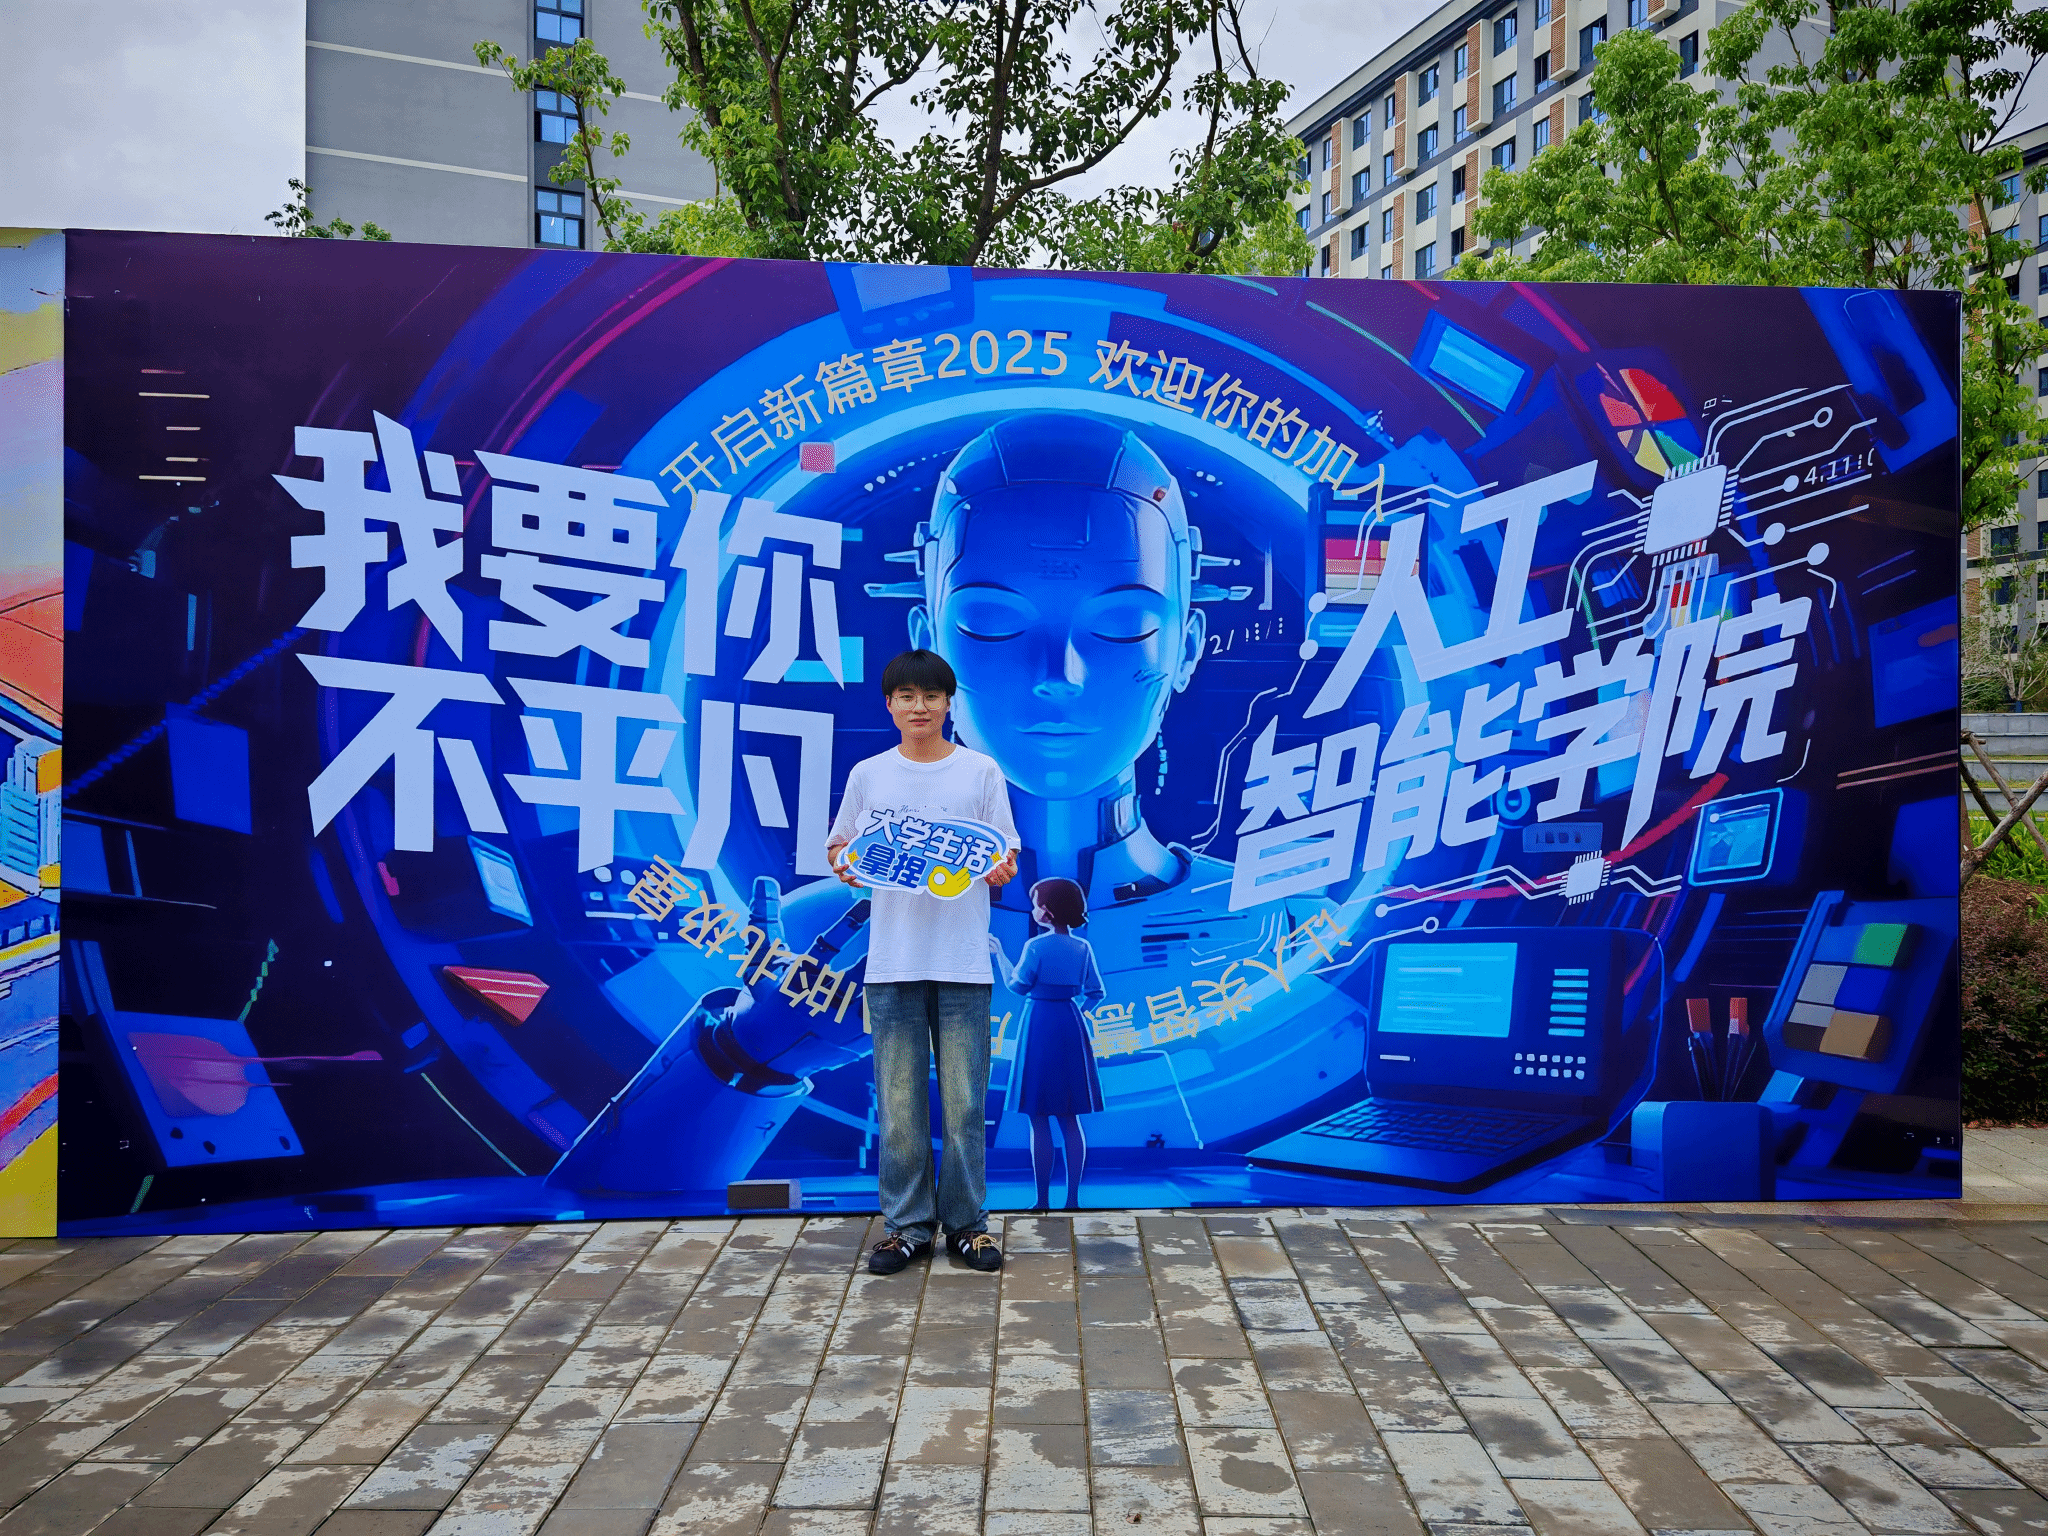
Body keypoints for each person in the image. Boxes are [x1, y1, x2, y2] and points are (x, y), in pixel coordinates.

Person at [825, 648, 1019, 1275]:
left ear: (948, 703)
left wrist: (1001, 868)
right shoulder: (870, 774)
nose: (919, 707)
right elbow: (840, 845)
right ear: (889, 705)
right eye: (906, 696)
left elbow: (1005, 851)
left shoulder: (980, 771)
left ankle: (967, 1227)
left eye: (931, 696)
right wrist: (845, 864)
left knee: (964, 1105)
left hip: (963, 963)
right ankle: (906, 1228)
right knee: (899, 1103)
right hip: (893, 964)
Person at [988, 878, 1106, 1212]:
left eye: (1036, 903)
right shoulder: (1082, 948)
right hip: (1070, 1024)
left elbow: (1017, 986)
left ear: (1047, 910)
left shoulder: (1036, 947)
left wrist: (1000, 956)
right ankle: (1073, 1200)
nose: (1033, 910)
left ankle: (1041, 1200)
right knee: (1070, 1118)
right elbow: (1096, 992)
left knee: (1038, 1118)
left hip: (1039, 1023)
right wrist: (1076, 1012)